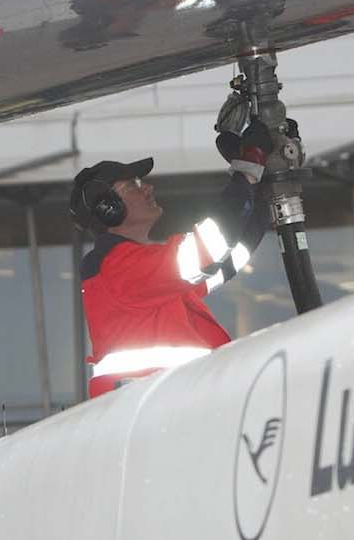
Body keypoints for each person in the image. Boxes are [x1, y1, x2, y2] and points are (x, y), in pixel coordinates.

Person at [68, 119, 290, 396]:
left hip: (166, 409)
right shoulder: (120, 268)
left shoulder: (146, 275)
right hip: (157, 413)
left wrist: (259, 194)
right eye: (134, 185)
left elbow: (224, 262)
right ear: (108, 209)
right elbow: (209, 248)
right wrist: (247, 173)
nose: (147, 188)